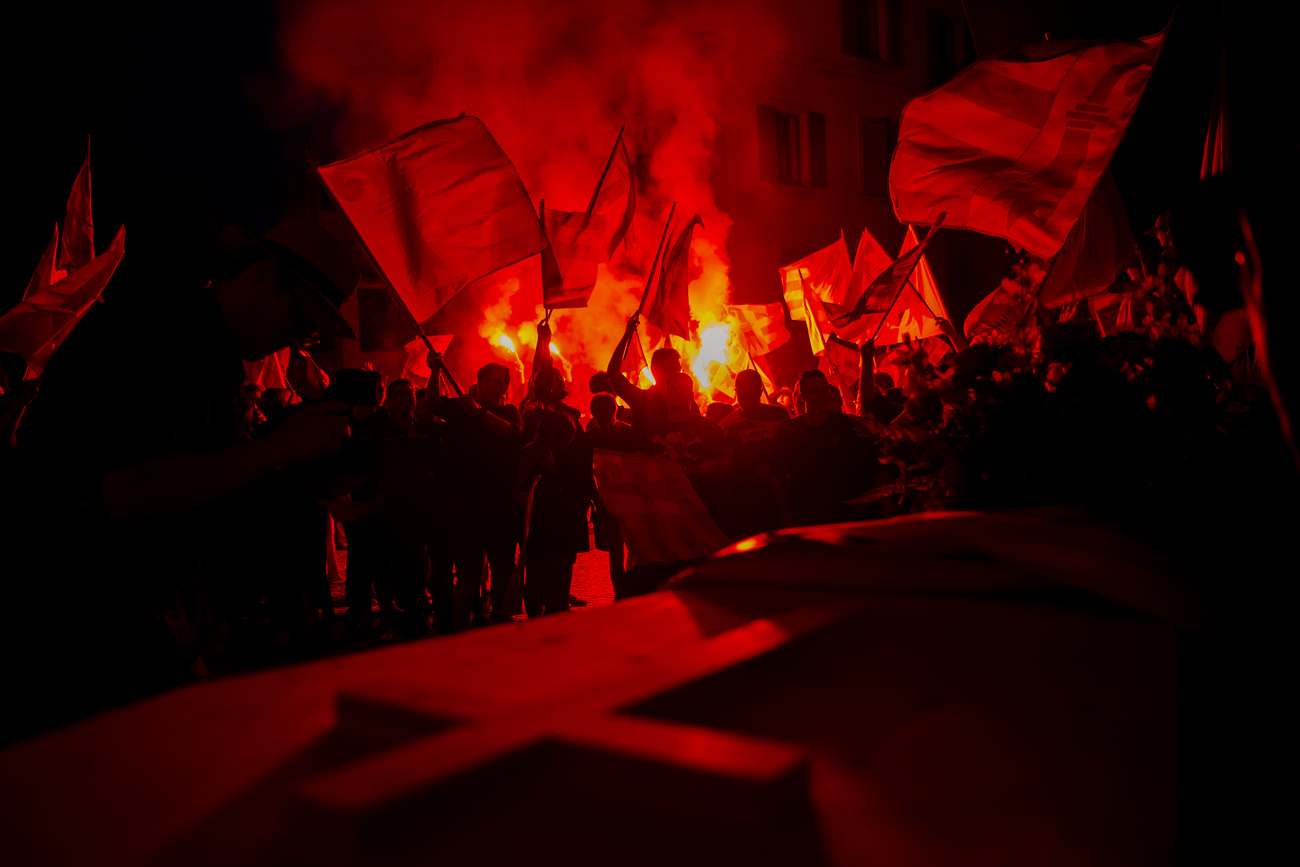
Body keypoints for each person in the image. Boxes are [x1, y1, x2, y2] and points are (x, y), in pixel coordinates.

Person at [5, 218, 360, 740]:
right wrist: (275, 449)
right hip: (72, 619)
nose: (303, 338)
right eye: (302, 315)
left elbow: (210, 492)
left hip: (137, 610)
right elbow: (122, 492)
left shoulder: (218, 361)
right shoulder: (152, 334)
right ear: (260, 275)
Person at [437, 362, 523, 626]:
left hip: (500, 504)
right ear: (479, 383)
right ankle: (458, 626)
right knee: (466, 573)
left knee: (502, 568)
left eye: (499, 382)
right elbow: (432, 404)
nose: (493, 386)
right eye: (489, 381)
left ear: (505, 388)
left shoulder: (509, 411)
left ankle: (499, 617)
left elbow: (511, 432)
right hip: (465, 505)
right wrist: (435, 371)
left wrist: (479, 412)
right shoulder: (461, 410)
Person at [772, 369, 879, 526]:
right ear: (803, 397)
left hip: (846, 514)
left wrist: (869, 499)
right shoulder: (788, 430)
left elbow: (870, 466)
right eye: (815, 391)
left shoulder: (848, 426)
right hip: (808, 514)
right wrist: (785, 513)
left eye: (825, 389)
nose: (822, 396)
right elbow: (777, 477)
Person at [514, 409, 591, 617]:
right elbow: (517, 491)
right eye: (564, 438)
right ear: (551, 434)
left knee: (556, 570)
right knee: (536, 573)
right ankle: (536, 618)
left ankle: (556, 608)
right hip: (537, 525)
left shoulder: (550, 452)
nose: (566, 444)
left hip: (555, 524)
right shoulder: (529, 454)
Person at [719, 368, 789, 537]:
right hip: (746, 503)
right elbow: (726, 469)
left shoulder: (779, 415)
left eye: (752, 396)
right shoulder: (727, 425)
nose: (748, 402)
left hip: (782, 498)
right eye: (743, 397)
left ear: (760, 391)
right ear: (736, 393)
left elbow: (792, 449)